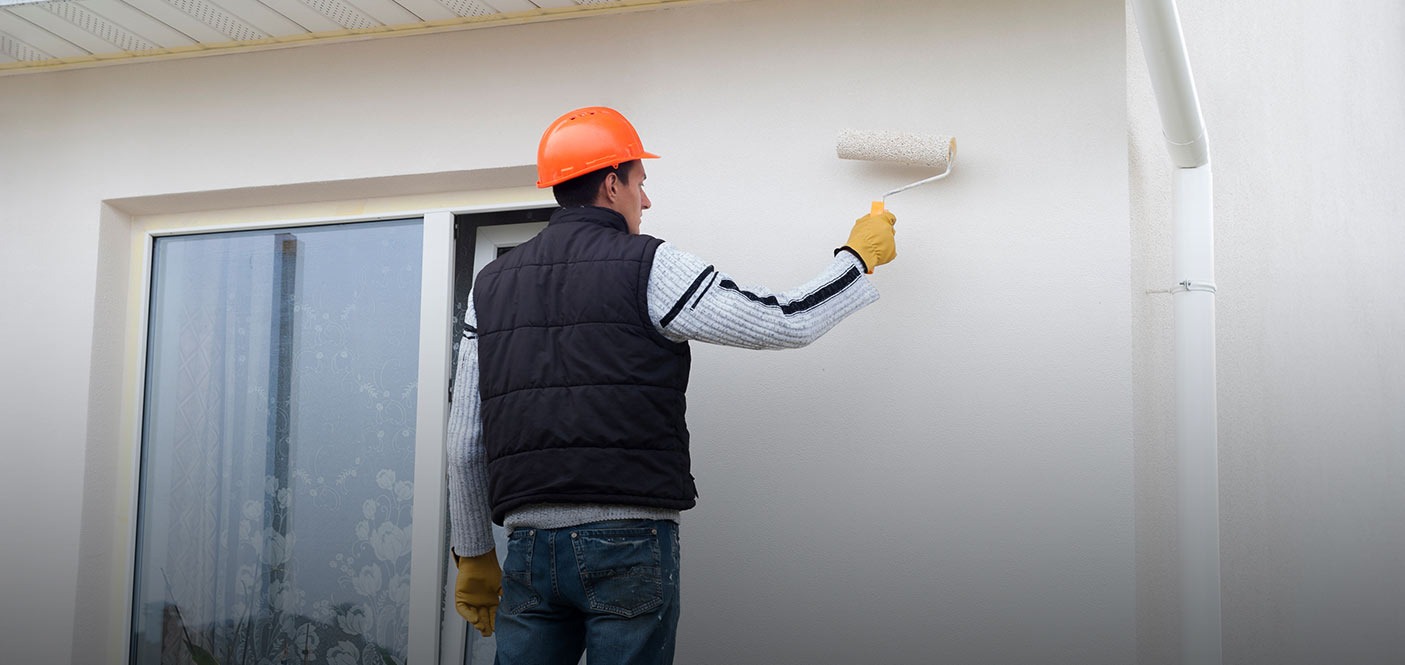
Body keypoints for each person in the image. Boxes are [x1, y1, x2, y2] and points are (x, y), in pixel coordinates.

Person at [446, 106, 896, 665]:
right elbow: (784, 320)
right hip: (627, 542)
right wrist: (856, 261)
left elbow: (466, 440)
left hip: (528, 551)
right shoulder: (649, 265)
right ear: (612, 184)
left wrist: (472, 554)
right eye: (641, 182)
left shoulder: (489, 285)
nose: (647, 199)